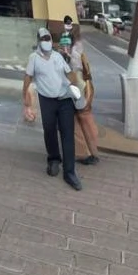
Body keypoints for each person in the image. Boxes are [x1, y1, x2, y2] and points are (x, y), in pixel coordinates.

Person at [22, 27, 83, 191]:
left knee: (67, 134)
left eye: (48, 38)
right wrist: (26, 101)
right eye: (43, 38)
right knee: (49, 130)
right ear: (38, 40)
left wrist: (76, 91)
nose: (46, 41)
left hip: (65, 100)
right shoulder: (33, 58)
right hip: (46, 99)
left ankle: (70, 172)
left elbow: (69, 74)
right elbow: (28, 77)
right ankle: (54, 159)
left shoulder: (58, 56)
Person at [66, 23, 100, 165]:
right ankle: (91, 153)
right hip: (85, 86)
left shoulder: (75, 50)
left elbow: (74, 69)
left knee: (81, 119)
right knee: (85, 119)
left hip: (79, 87)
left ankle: (87, 153)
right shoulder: (79, 47)